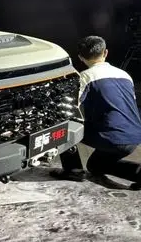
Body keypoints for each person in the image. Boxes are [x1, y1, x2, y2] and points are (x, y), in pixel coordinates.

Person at [51, 36, 141, 189]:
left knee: (63, 126)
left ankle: (73, 171)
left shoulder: (85, 77)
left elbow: (69, 108)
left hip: (111, 138)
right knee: (95, 166)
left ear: (80, 57)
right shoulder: (125, 75)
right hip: (134, 136)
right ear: (105, 52)